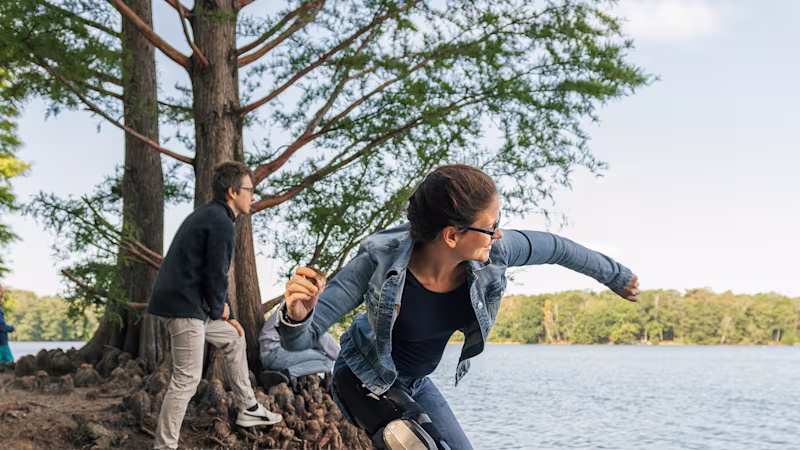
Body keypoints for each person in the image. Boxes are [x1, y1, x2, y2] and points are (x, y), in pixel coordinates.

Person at [276, 164, 640, 450]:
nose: (498, 235)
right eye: (490, 226)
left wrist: (616, 276)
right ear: (452, 235)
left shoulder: (494, 252)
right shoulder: (378, 261)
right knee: (420, 444)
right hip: (363, 379)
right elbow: (297, 343)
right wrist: (298, 313)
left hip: (416, 384)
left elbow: (559, 248)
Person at [148, 161, 282, 450]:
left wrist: (228, 314)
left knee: (235, 336)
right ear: (233, 191)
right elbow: (216, 275)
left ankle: (248, 408)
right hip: (184, 309)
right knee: (186, 379)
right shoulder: (220, 221)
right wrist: (218, 309)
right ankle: (164, 446)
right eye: (249, 190)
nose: (253, 196)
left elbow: (216, 272)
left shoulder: (212, 216)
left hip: (191, 305)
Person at [258, 307, 340, 389]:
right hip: (275, 354)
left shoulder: (291, 305)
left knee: (319, 352)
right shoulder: (304, 311)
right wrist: (343, 358)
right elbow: (323, 339)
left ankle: (280, 373)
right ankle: (285, 373)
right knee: (327, 362)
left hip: (269, 353)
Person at [0, 284, 15, 368]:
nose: (1, 298)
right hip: (2, 343)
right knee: (10, 364)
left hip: (2, 342)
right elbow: (1, 327)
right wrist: (12, 328)